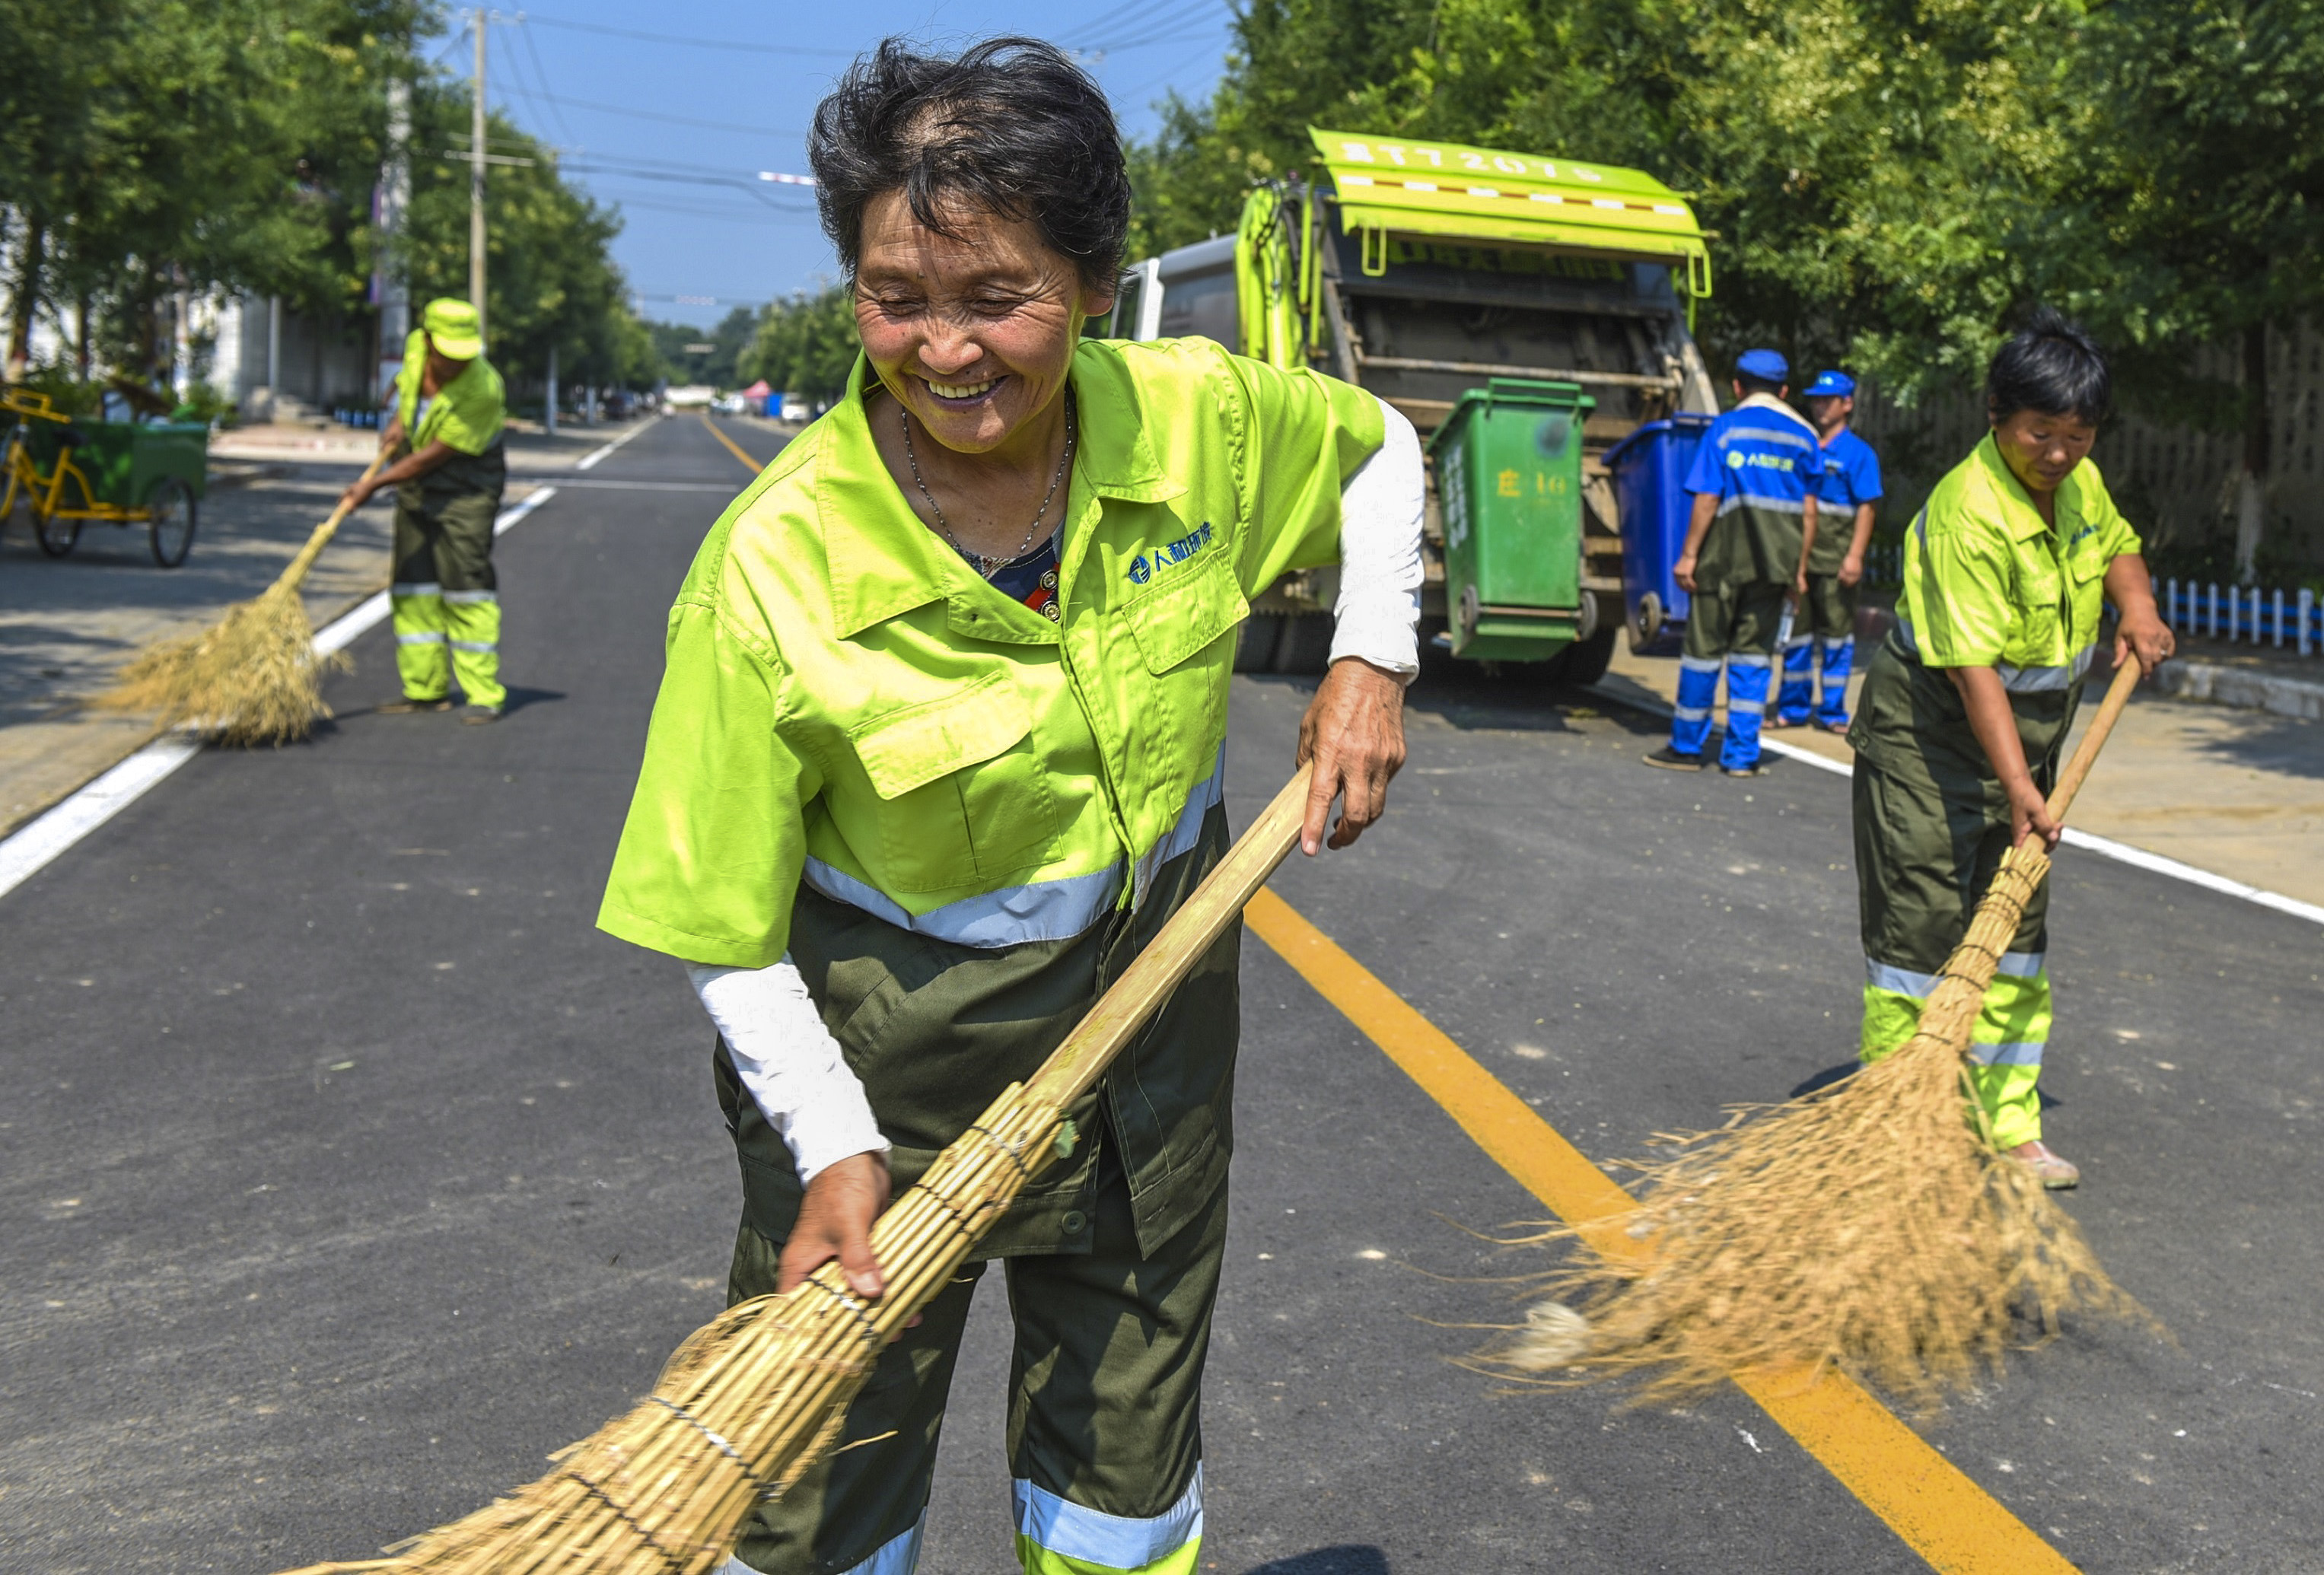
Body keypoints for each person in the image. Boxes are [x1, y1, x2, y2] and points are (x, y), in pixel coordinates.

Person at [596, 39, 1425, 1575]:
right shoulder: (773, 573)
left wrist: (1373, 655)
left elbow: (1379, 451)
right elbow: (714, 924)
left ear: (1096, 284)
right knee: (815, 1504)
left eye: (999, 299)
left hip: (1149, 1063)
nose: (945, 350)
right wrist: (834, 1140)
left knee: (1122, 1487)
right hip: (881, 1089)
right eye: (896, 297)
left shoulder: (1193, 419)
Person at [1847, 311, 2172, 1188]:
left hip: (2028, 757)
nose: (2060, 454)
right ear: (1996, 414)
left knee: (2016, 939)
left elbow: (2118, 547)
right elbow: (1974, 674)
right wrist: (2023, 788)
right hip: (1932, 748)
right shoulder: (1966, 516)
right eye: (2042, 433)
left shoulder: (2079, 483)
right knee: (1920, 937)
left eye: (2079, 435)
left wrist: (2136, 606)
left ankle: (2008, 1122)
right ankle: (1904, 1123)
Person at [1644, 348, 1819, 776]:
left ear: (1737, 387)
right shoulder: (1805, 436)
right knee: (1754, 660)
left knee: (1703, 654)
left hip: (1722, 563)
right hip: (1775, 569)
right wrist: (1798, 571)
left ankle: (1687, 748)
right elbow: (1808, 511)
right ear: (1783, 391)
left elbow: (1708, 497)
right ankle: (1742, 756)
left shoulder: (1725, 429)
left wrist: (1688, 557)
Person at [339, 297, 509, 724]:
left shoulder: (484, 388)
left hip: (466, 488)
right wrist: (398, 417)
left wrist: (371, 485)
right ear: (429, 340)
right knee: (414, 586)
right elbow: (408, 383)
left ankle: (484, 693)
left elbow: (433, 455)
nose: (455, 365)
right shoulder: (416, 347)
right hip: (417, 485)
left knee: (466, 587)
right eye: (447, 355)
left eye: (463, 356)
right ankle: (425, 689)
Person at [1774, 370, 1882, 733]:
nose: (1820, 406)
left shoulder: (1858, 453)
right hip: (1802, 561)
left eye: (1828, 400)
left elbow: (1867, 508)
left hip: (1836, 561)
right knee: (1798, 636)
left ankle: (1833, 712)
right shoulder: (1804, 445)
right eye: (1816, 399)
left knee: (1837, 637)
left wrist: (1855, 556)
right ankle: (1793, 706)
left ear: (1846, 404)